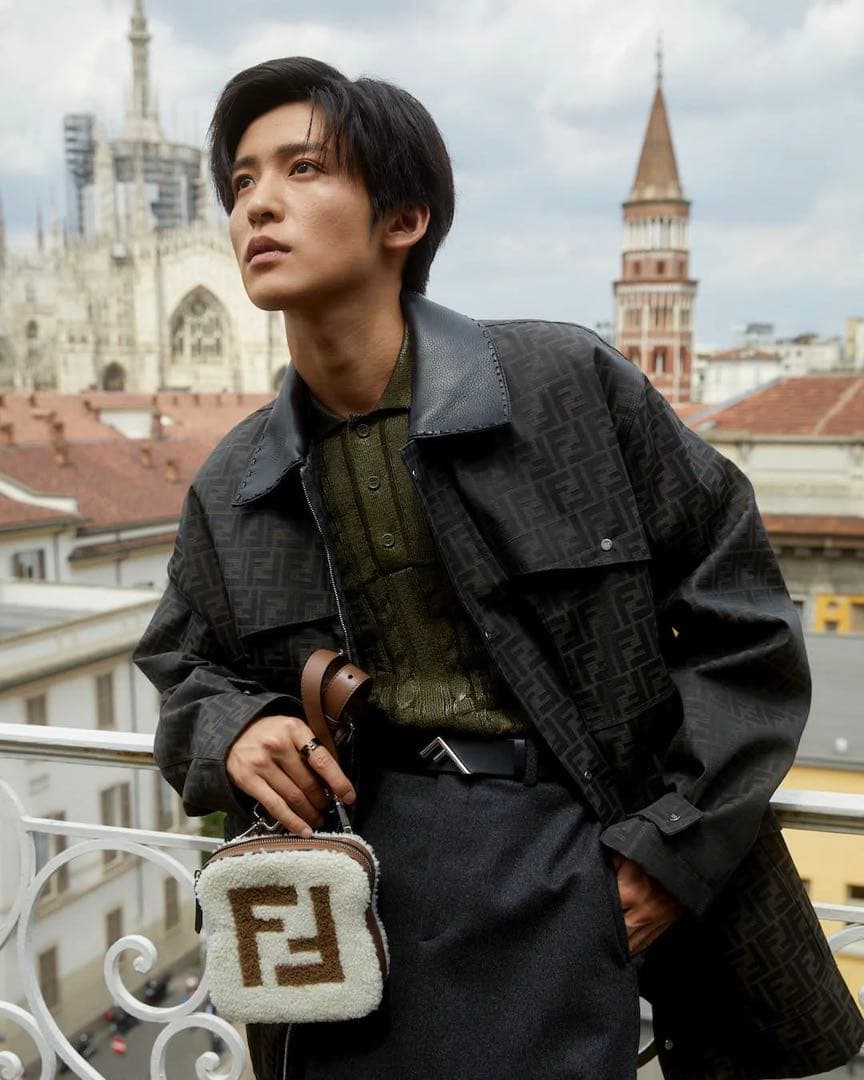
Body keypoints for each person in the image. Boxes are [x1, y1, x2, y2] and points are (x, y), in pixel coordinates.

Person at [134, 57, 863, 1080]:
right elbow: (183, 663)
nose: (257, 202)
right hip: (343, 887)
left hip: (558, 856)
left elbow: (739, 618)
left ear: (403, 219)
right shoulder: (235, 479)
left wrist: (667, 849)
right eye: (242, 180)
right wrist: (233, 728)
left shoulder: (566, 390)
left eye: (303, 168)